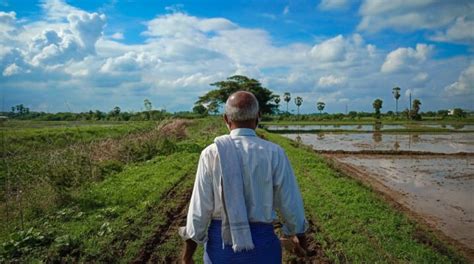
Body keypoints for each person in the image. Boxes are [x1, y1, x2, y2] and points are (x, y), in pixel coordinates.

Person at [179, 91, 308, 263]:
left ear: (226, 119)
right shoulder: (274, 153)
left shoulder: (211, 153)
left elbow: (199, 211)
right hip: (263, 248)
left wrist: (187, 256)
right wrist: (299, 237)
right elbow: (291, 204)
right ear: (258, 117)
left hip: (221, 249)